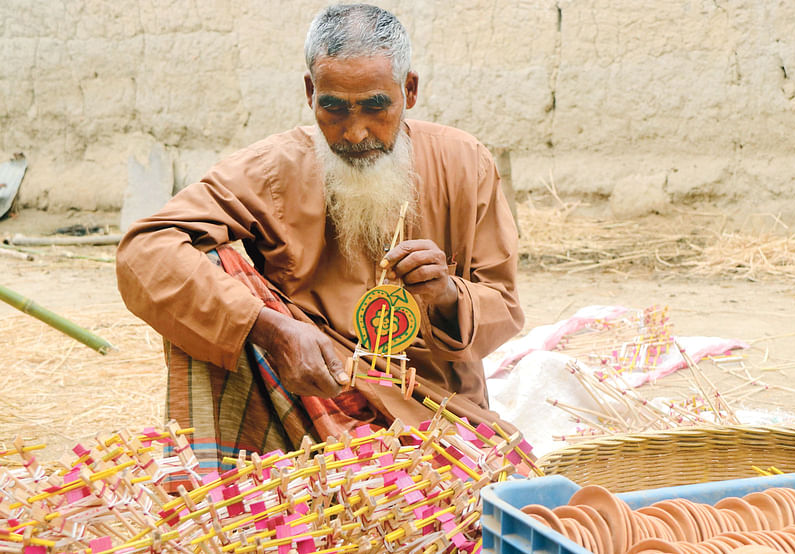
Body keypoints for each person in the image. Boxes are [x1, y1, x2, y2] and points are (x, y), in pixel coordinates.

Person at [116, 3, 524, 480]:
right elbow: (144, 251)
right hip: (309, 402)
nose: (354, 132)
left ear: (408, 91)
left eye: (376, 106)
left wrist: (447, 295)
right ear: (310, 94)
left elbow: (505, 307)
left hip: (433, 414)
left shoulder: (464, 163)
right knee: (206, 264)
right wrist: (267, 328)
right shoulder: (274, 168)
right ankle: (231, 488)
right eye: (333, 107)